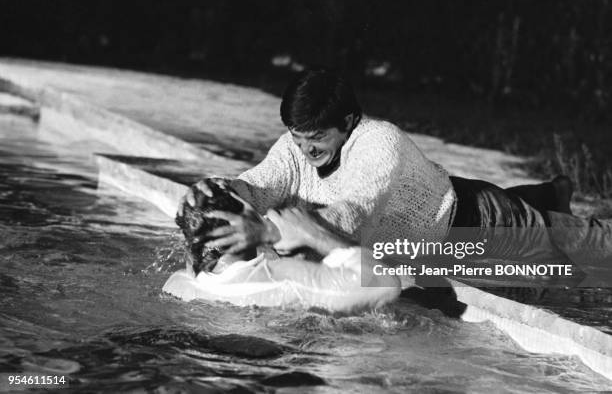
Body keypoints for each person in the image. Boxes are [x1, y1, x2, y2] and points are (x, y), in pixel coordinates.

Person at [178, 68, 611, 286]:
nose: (306, 150)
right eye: (298, 138)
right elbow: (260, 183)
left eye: (317, 138)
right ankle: (551, 193)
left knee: (590, 246)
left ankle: (552, 200)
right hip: (415, 239)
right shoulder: (295, 148)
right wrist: (217, 189)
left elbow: (348, 217)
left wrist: (267, 231)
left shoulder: (379, 143)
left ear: (348, 121)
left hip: (472, 221)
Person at [165, 182, 400, 312]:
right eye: (256, 208)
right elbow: (385, 284)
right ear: (244, 224)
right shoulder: (284, 277)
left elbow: (195, 251)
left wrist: (197, 212)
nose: (266, 213)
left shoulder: (179, 283)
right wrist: (313, 234)